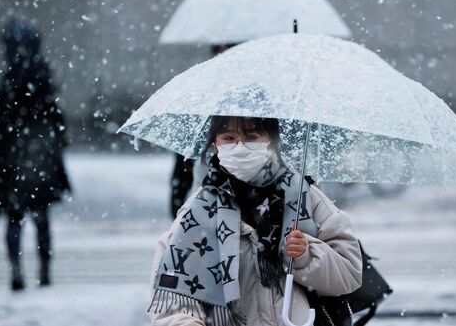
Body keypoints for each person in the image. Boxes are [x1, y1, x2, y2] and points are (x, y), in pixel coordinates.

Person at [149, 116, 362, 326]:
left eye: (251, 136)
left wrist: (306, 256)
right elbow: (171, 299)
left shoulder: (305, 197)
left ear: (271, 141)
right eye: (229, 138)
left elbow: (349, 274)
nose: (240, 146)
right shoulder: (197, 212)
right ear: (215, 145)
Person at [0, 19, 70, 290]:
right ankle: (44, 269)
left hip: (14, 159)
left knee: (15, 219)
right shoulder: (43, 77)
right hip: (42, 157)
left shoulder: (10, 78)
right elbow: (57, 122)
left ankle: (17, 271)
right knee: (41, 217)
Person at [169, 44, 238, 219]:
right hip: (206, 187)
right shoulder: (202, 92)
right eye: (219, 49)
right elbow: (184, 160)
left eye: (229, 48)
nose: (223, 53)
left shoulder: (254, 95)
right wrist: (178, 204)